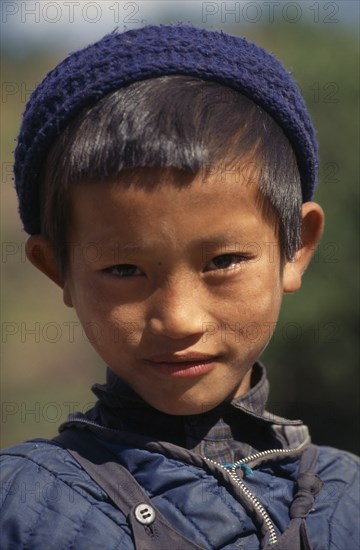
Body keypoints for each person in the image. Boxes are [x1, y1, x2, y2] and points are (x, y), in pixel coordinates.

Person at [1, 24, 358, 550]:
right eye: (125, 270)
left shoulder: (347, 500)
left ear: (296, 247)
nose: (179, 319)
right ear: (58, 269)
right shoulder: (23, 506)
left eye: (224, 261)